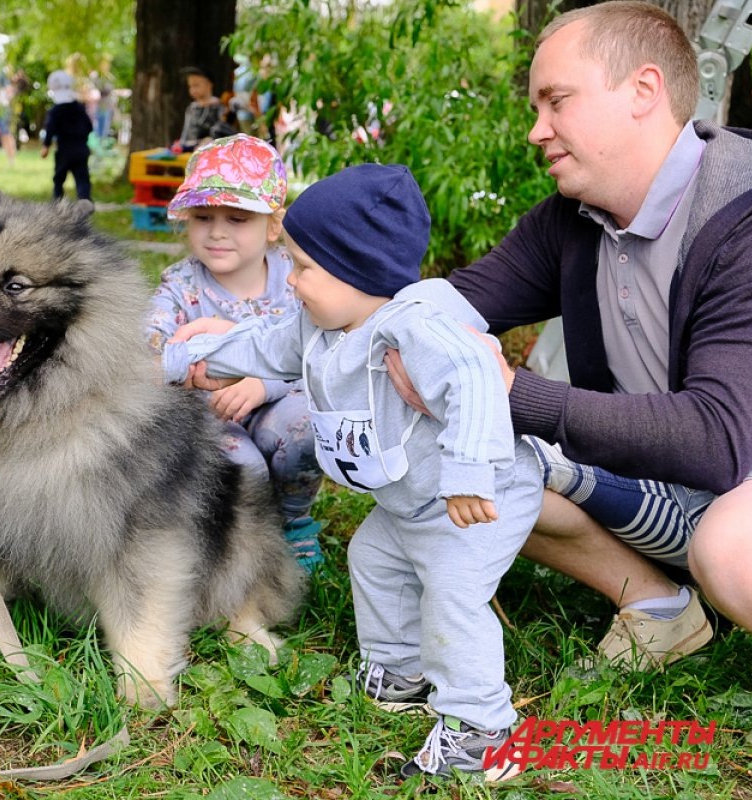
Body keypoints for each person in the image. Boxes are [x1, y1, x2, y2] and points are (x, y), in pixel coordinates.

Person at [398, 0, 752, 669]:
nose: (538, 130)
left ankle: (716, 583)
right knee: (457, 449)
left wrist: (511, 392)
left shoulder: (743, 214)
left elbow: (718, 441)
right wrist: (388, 327)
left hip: (740, 485)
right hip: (663, 489)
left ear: (643, 92)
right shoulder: (573, 218)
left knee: (730, 550)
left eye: (556, 101)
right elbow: (450, 305)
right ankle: (659, 608)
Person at [164, 164, 543, 781]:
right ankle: (400, 669)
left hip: (475, 496)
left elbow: (476, 376)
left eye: (304, 268)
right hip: (408, 504)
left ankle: (482, 729)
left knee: (451, 594)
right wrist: (184, 359)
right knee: (374, 559)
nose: (292, 280)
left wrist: (471, 472)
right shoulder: (320, 323)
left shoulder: (416, 326)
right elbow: (257, 345)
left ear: (358, 270)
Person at [146, 134, 324, 571]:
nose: (218, 231)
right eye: (203, 216)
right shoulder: (181, 286)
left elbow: (320, 352)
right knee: (243, 466)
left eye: (238, 218)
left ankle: (293, 521)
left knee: (307, 427)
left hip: (280, 404)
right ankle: (237, 540)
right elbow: (151, 343)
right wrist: (164, 359)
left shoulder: (295, 277)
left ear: (273, 225)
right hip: (209, 414)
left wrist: (263, 384)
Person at [40, 69, 93, 202]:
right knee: (82, 178)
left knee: (59, 179)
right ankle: (85, 200)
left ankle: (58, 203)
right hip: (81, 149)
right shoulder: (80, 108)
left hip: (64, 150)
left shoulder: (55, 111)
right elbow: (89, 126)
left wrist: (46, 146)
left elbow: (50, 129)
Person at [176, 67, 235, 152]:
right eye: (190, 86)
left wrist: (211, 139)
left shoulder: (218, 106)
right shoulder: (192, 108)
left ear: (209, 84)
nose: (192, 90)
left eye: (196, 85)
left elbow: (222, 129)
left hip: (211, 148)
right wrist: (182, 143)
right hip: (191, 147)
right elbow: (186, 129)